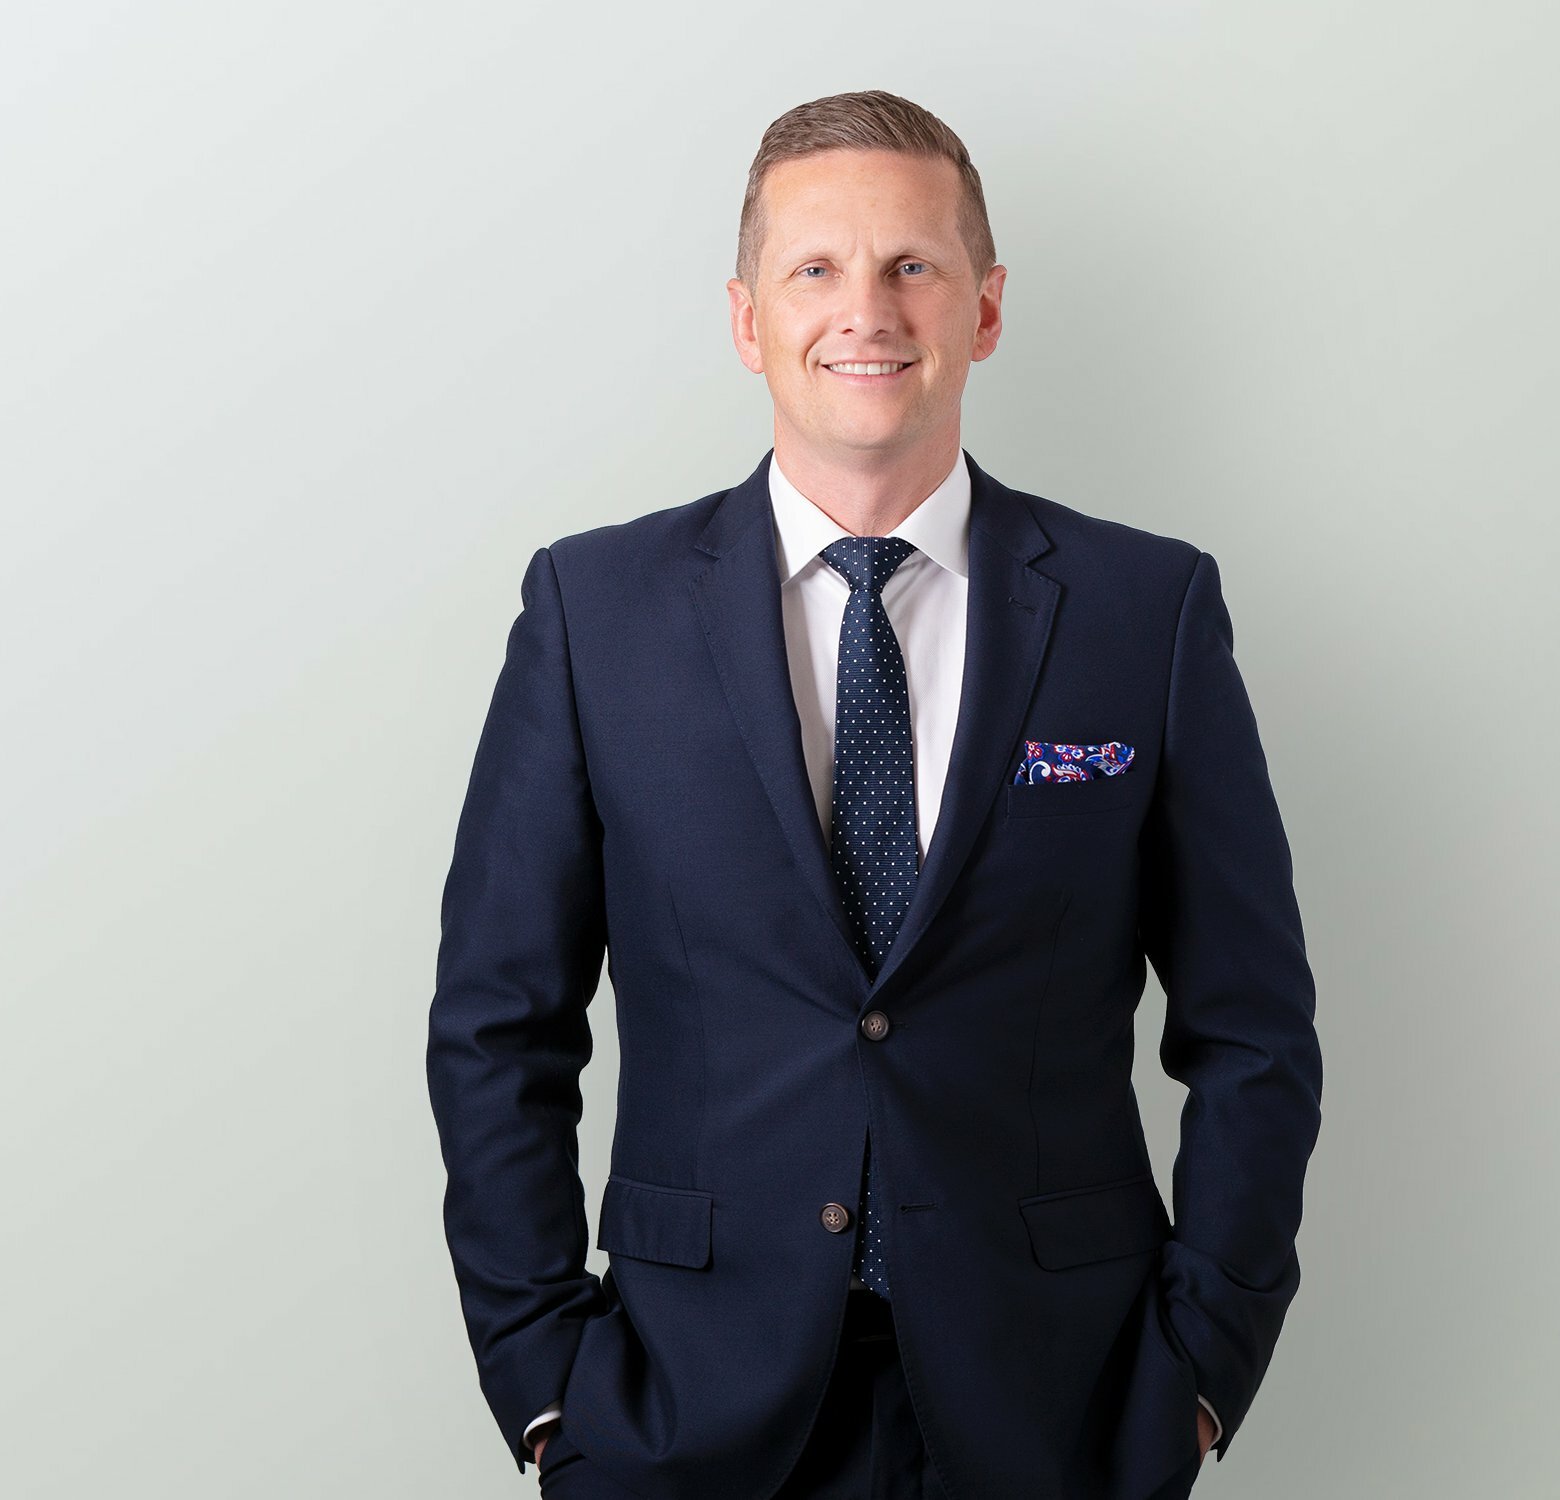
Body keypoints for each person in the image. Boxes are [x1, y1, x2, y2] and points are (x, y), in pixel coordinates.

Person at [426, 89, 1322, 1500]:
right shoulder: (594, 613)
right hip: (680, 1406)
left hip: (1064, 1407)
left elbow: (1253, 1027)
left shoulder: (1143, 611)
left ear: (986, 307)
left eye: (912, 264)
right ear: (747, 319)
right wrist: (545, 1382)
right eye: (815, 269)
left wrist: (1200, 1370)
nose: (867, 310)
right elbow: (497, 1023)